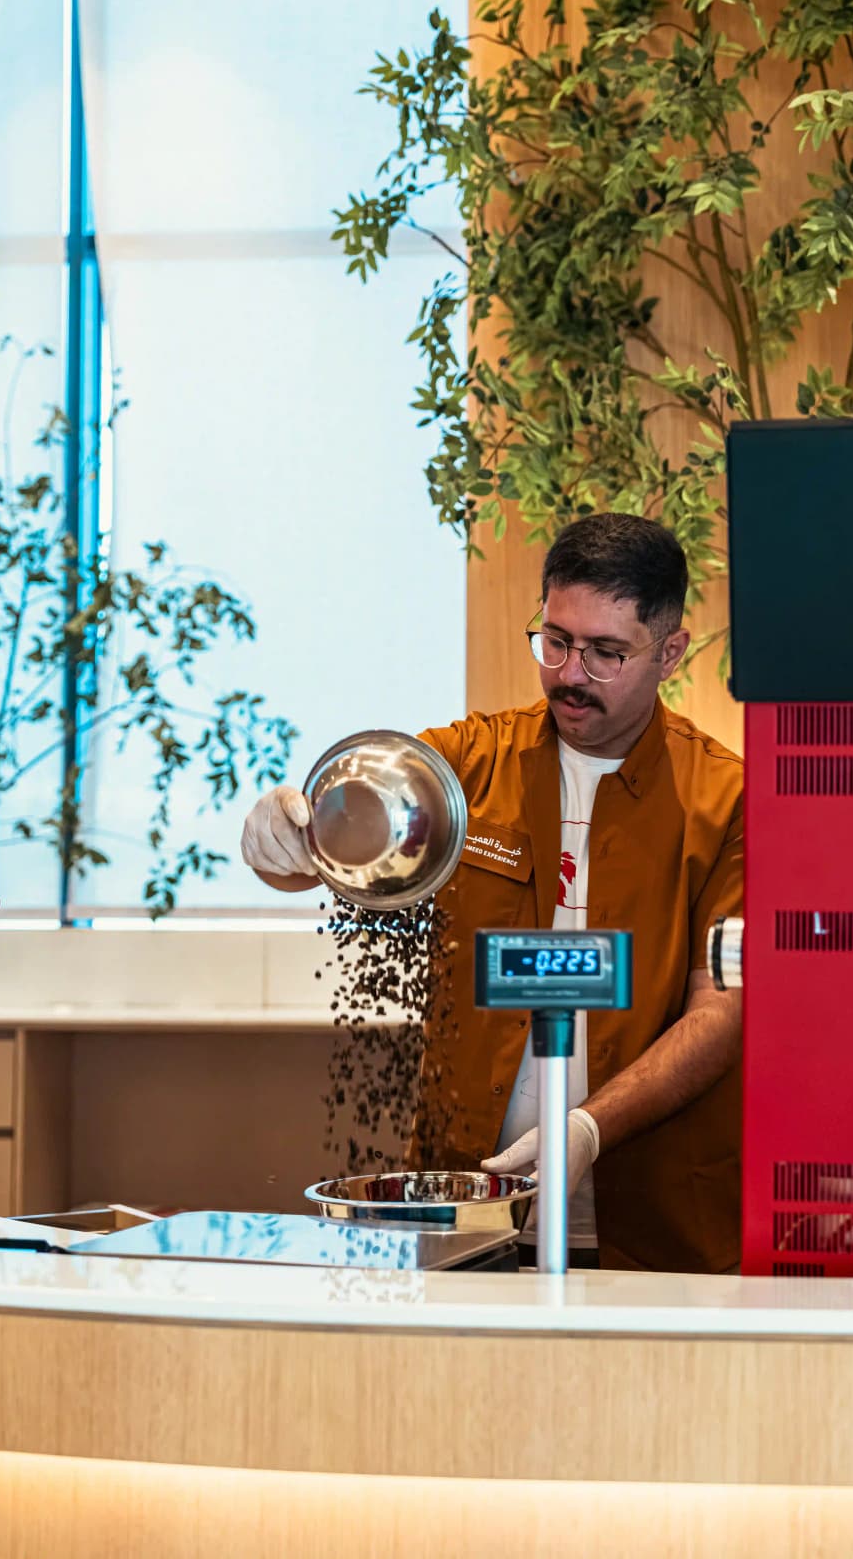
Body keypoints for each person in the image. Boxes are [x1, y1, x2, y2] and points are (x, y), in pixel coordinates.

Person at [241, 513, 743, 1271]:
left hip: (651, 1222)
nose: (572, 673)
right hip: (466, 1212)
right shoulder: (469, 764)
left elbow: (725, 1007)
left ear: (670, 651)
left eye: (608, 653)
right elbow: (346, 837)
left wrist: (589, 1130)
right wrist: (281, 840)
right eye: (557, 640)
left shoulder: (725, 799)